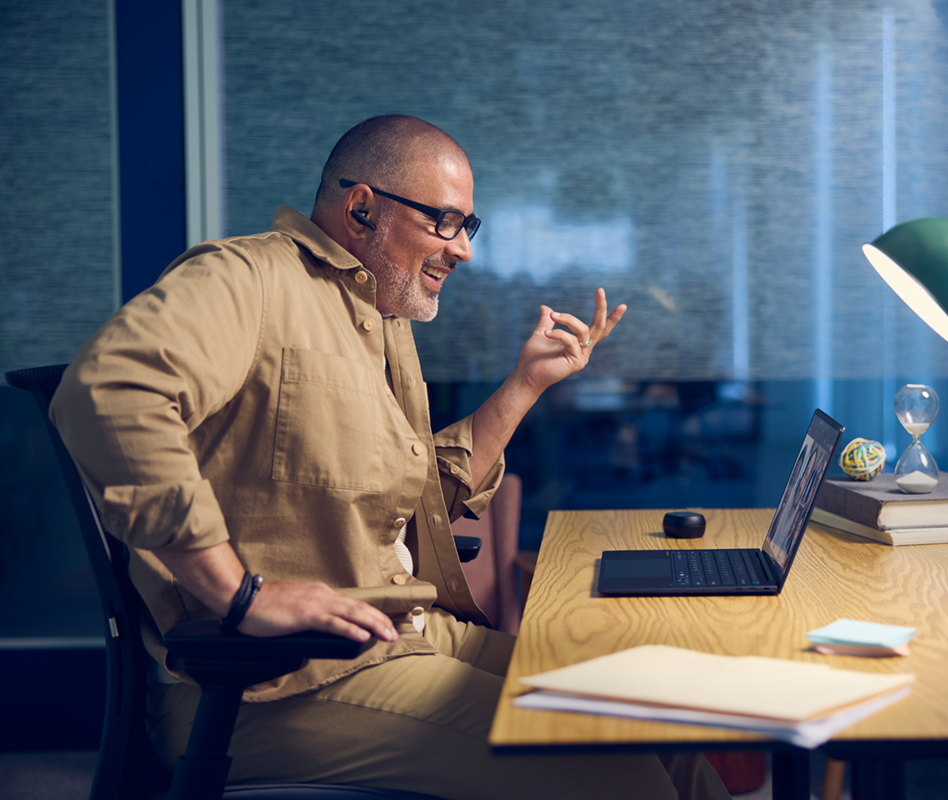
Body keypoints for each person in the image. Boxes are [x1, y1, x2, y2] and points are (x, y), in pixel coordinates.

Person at [50, 115, 731, 800]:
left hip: (402, 632)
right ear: (362, 208)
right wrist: (238, 593)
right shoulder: (247, 278)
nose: (462, 250)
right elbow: (109, 391)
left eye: (470, 226)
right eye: (444, 221)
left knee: (659, 724)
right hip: (275, 682)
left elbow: (414, 500)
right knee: (623, 776)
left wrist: (527, 385)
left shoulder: (379, 318)